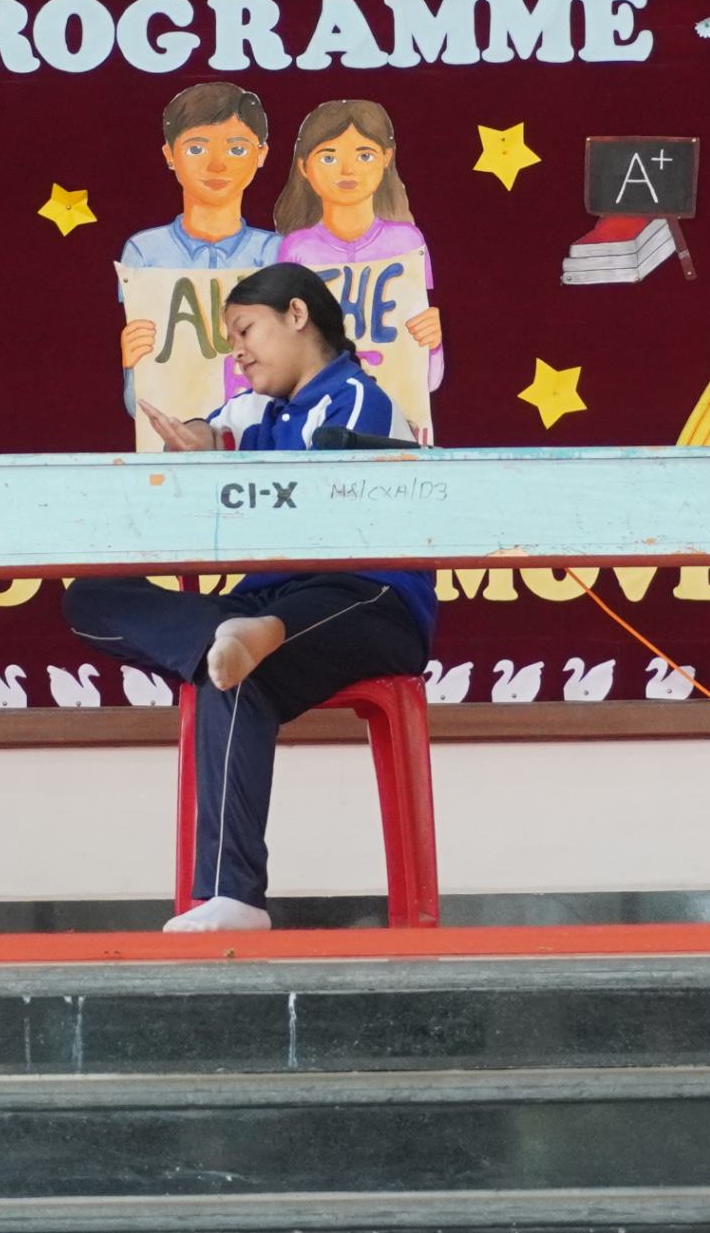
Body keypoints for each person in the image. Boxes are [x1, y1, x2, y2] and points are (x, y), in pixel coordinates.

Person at [61, 262, 435, 932]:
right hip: (261, 607)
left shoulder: (355, 398)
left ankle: (255, 636)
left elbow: (319, 512)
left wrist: (223, 468)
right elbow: (213, 431)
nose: (236, 350)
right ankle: (230, 642)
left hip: (364, 599)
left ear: (297, 315)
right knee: (96, 600)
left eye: (245, 329)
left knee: (256, 646)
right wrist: (195, 444)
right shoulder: (253, 406)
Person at [113, 80, 282, 417]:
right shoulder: (145, 251)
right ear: (169, 155)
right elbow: (140, 402)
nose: (216, 165)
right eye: (196, 149)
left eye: (236, 149)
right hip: (172, 426)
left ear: (261, 154)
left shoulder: (276, 251)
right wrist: (133, 361)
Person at [268, 96, 444, 414]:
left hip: (395, 410)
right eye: (328, 157)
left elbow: (429, 380)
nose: (347, 170)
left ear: (387, 158)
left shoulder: (407, 241)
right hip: (321, 411)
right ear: (304, 167)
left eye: (364, 155)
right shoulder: (296, 248)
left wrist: (432, 344)